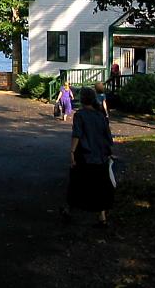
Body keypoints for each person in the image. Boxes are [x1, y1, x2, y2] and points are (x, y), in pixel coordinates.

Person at [61, 86, 115, 228]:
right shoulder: (101, 116)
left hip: (84, 155)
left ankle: (69, 210)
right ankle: (102, 217)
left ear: (82, 99)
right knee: (101, 185)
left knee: (76, 182)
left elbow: (77, 134)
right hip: (101, 155)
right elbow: (108, 136)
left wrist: (72, 152)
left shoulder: (80, 115)